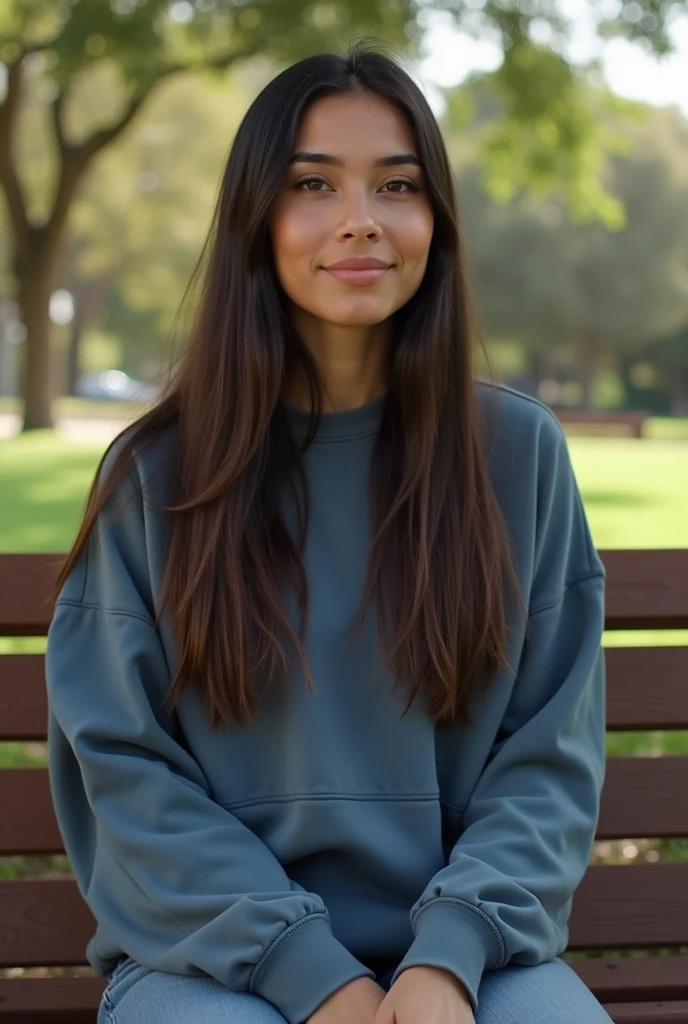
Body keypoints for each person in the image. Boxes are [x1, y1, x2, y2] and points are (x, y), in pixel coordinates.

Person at [45, 40, 612, 1024]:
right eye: (314, 184)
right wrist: (312, 973)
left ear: (434, 217)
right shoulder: (156, 476)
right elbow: (126, 776)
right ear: (256, 219)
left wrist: (449, 957)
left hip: (473, 956)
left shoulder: (516, 455)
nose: (361, 222)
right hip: (211, 964)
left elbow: (546, 760)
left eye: (397, 185)